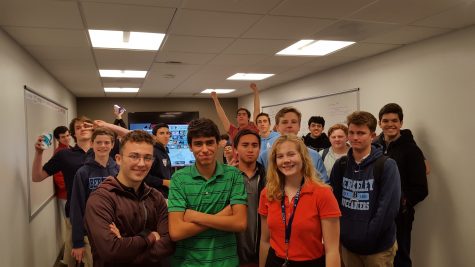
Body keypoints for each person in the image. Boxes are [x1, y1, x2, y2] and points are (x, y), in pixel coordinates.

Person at [84, 130, 174, 267]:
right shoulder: (101, 199)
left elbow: (167, 244)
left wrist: (125, 244)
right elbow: (111, 251)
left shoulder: (156, 197)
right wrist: (149, 237)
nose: (141, 163)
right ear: (118, 159)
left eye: (148, 158)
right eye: (134, 156)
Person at [168, 118, 247, 267]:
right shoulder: (178, 178)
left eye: (209, 142)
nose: (205, 149)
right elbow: (176, 232)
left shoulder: (234, 175)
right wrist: (223, 215)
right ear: (190, 147)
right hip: (188, 263)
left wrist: (195, 216)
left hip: (226, 262)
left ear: (218, 144)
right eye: (198, 143)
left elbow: (240, 223)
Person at [330, 111, 401, 267]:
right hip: (348, 245)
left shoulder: (387, 165)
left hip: (377, 249)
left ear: (372, 135)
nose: (355, 138)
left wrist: (367, 236)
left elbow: (387, 209)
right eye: (352, 132)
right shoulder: (341, 165)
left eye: (361, 133)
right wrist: (344, 234)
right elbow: (334, 203)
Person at [259, 134, 341, 267]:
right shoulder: (267, 194)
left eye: (291, 154)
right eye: (280, 156)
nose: (286, 160)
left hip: (311, 262)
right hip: (275, 261)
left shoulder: (323, 194)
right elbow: (265, 241)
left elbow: (332, 250)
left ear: (303, 157)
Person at [32, 116, 94, 267]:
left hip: (100, 213)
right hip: (75, 214)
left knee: (96, 257)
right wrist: (39, 153)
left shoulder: (104, 151)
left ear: (93, 130)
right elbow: (37, 177)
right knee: (75, 257)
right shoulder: (64, 155)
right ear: (73, 133)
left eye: (87, 126)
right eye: (79, 127)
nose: (83, 129)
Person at [374, 103, 428, 267]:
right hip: (375, 212)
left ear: (401, 123)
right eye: (386, 121)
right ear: (379, 123)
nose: (390, 124)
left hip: (400, 216)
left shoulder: (412, 150)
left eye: (394, 120)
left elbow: (421, 189)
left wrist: (401, 202)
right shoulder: (374, 147)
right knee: (378, 257)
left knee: (400, 257)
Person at [70, 127, 119, 266]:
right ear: (92, 144)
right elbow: (76, 208)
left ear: (112, 144)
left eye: (106, 142)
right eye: (98, 142)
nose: (102, 146)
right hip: (90, 234)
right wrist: (78, 242)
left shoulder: (119, 170)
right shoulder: (83, 172)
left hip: (116, 233)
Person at [257, 107, 329, 183]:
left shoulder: (314, 156)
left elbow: (324, 184)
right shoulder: (265, 156)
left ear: (299, 126)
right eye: (284, 122)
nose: (289, 125)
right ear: (277, 127)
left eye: (294, 122)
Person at [233, 129, 267, 266]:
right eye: (245, 145)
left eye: (254, 145)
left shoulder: (270, 179)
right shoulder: (227, 178)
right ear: (236, 149)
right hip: (233, 251)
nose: (250, 149)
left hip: (261, 249)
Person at [52, 125, 72, 264]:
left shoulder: (69, 149)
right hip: (65, 196)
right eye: (63, 136)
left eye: (67, 135)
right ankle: (67, 259)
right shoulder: (59, 153)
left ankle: (69, 258)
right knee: (70, 227)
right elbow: (58, 178)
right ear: (58, 139)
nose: (67, 138)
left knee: (72, 227)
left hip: (71, 195)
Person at [145, 123, 172, 198]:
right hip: (154, 195)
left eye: (167, 133)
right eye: (161, 133)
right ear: (154, 137)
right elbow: (144, 176)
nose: (166, 136)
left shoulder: (164, 151)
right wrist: (164, 182)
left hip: (164, 194)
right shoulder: (153, 152)